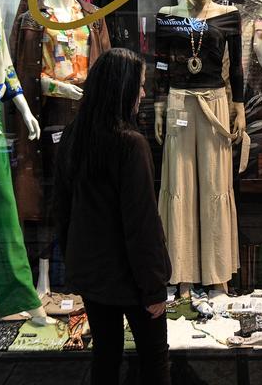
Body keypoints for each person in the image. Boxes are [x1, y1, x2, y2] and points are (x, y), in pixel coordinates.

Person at [55, 48, 172, 385]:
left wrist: (74, 262)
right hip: (132, 280)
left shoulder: (75, 135)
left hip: (93, 277)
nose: (144, 93)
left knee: (105, 356)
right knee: (153, 360)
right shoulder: (130, 144)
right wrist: (154, 287)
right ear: (123, 90)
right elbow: (142, 225)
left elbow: (62, 208)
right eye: (140, 86)